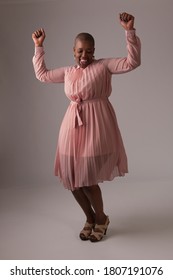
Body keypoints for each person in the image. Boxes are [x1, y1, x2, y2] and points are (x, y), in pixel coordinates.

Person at [32, 12, 141, 242]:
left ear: (94, 51)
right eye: (80, 50)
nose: (85, 55)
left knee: (89, 179)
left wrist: (129, 32)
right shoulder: (68, 72)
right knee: (72, 180)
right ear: (73, 51)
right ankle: (90, 218)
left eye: (89, 50)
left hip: (97, 125)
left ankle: (101, 218)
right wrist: (38, 47)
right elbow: (42, 75)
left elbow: (132, 62)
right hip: (71, 127)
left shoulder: (104, 66)